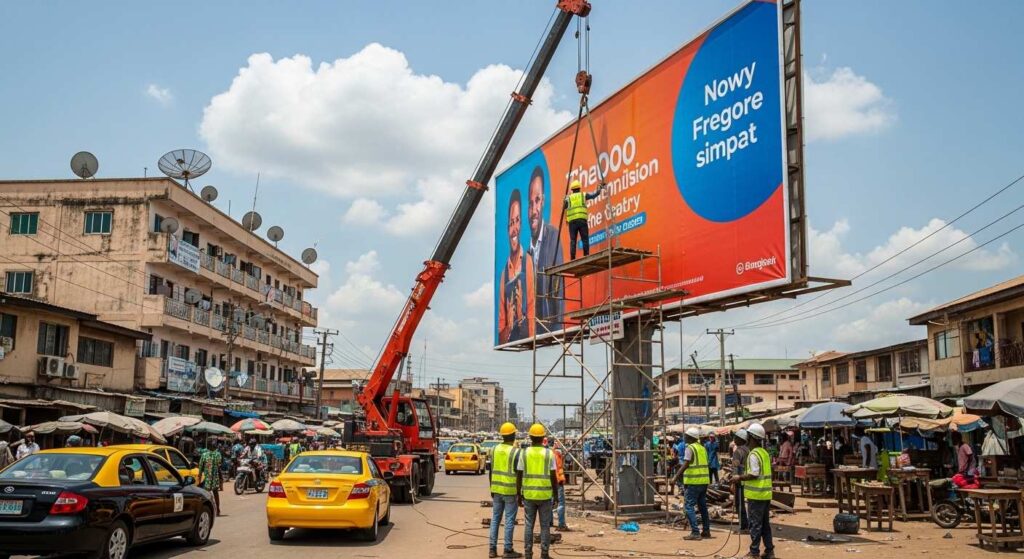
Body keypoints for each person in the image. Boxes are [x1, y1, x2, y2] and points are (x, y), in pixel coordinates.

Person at [526, 167, 564, 330]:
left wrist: (557, 325)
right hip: (532, 328)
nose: (534, 210)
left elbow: (559, 288)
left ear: (543, 202)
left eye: (537, 200)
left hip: (550, 325)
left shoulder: (553, 236)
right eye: (530, 203)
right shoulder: (526, 253)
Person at [498, 189, 536, 344]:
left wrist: (521, 319)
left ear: (521, 224)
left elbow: (533, 310)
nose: (514, 228)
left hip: (526, 332)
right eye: (511, 223)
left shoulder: (528, 262)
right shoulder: (504, 275)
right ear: (507, 228)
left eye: (517, 221)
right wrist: (509, 327)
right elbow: (501, 328)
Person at [732, 423, 774, 559]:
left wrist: (739, 477)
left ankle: (754, 552)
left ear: (752, 437)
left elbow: (754, 474)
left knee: (755, 524)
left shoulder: (753, 454)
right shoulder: (764, 453)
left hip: (756, 495)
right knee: (765, 525)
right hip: (766, 494)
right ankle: (769, 551)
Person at [516, 424, 558, 559]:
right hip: (545, 495)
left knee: (529, 525)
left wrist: (518, 494)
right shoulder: (548, 453)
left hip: (528, 495)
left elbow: (519, 474)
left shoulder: (524, 453)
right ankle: (544, 554)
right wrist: (556, 495)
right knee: (545, 526)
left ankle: (528, 554)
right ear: (542, 438)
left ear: (531, 437)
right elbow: (553, 476)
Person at [489, 422, 523, 559]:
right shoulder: (516, 451)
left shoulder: (494, 449)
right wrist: (519, 492)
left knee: (495, 519)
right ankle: (507, 549)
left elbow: (491, 470)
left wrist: (491, 487)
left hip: (496, 488)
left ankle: (492, 549)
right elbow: (519, 473)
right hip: (510, 490)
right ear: (513, 435)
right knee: (509, 520)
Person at [670, 427, 710, 541]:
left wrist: (675, 477)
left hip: (694, 482)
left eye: (686, 436)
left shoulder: (690, 448)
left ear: (691, 437)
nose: (684, 437)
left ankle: (695, 532)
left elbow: (686, 463)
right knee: (702, 507)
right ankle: (706, 530)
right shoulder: (702, 448)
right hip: (704, 482)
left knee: (689, 506)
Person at [562, 180, 605, 260]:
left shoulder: (568, 198)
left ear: (572, 189)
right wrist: (599, 188)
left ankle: (572, 258)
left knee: (573, 240)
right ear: (579, 188)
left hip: (572, 223)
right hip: (582, 221)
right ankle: (586, 255)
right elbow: (594, 195)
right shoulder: (583, 195)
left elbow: (564, 208)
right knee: (585, 239)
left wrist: (566, 219)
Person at [730, 430, 751, 531]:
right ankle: (747, 524)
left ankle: (743, 526)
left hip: (740, 481)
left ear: (740, 439)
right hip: (748, 480)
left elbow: (735, 468)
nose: (734, 439)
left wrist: (734, 482)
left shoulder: (737, 452)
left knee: (739, 503)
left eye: (735, 437)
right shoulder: (748, 450)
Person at [547, 438, 569, 531]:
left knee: (549, 502)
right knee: (560, 503)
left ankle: (549, 522)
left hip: (549, 481)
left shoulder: (546, 454)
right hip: (558, 481)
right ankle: (561, 523)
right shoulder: (557, 453)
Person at [198, 438, 223, 515]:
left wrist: (199, 476)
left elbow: (200, 466)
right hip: (215, 478)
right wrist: (221, 478)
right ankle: (217, 509)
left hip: (207, 478)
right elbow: (219, 466)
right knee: (215, 493)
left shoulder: (204, 455)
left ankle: (208, 510)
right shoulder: (218, 455)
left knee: (206, 495)